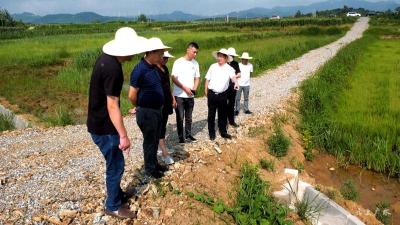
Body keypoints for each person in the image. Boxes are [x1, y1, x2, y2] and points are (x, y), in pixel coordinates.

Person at [87, 27, 144, 219]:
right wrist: (124, 135)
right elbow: (112, 105)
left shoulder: (106, 59)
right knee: (116, 165)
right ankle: (112, 205)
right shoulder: (113, 69)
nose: (135, 53)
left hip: (99, 122)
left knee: (114, 163)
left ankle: (116, 194)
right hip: (104, 127)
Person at [128, 37, 171, 179]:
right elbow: (131, 95)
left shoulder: (154, 67)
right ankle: (150, 169)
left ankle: (155, 164)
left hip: (157, 110)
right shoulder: (139, 70)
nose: (162, 56)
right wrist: (140, 106)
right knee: (149, 141)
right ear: (151, 52)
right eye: (160, 53)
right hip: (147, 112)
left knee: (154, 139)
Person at [205, 48, 239, 140]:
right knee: (211, 115)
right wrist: (206, 91)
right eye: (218, 56)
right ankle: (211, 133)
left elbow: (233, 78)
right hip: (212, 94)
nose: (219, 58)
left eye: (221, 56)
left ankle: (223, 132)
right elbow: (207, 79)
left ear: (226, 58)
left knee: (222, 114)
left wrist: (236, 83)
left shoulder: (230, 69)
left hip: (223, 95)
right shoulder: (213, 66)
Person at [171, 42, 200, 143]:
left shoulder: (195, 63)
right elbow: (173, 78)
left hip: (190, 95)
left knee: (189, 117)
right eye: (194, 52)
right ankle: (181, 137)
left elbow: (197, 77)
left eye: (196, 53)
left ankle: (188, 135)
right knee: (180, 117)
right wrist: (184, 88)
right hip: (179, 95)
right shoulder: (178, 62)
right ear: (188, 50)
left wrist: (194, 88)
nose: (195, 54)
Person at [156, 51, 176, 165]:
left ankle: (161, 146)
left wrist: (172, 98)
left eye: (167, 58)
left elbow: (168, 85)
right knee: (158, 125)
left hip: (167, 101)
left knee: (163, 124)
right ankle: (163, 151)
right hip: (158, 103)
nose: (165, 60)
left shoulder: (165, 68)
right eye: (164, 58)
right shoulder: (154, 69)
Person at [227, 47, 241, 127]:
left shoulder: (235, 63)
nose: (233, 57)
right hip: (224, 87)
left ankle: (231, 121)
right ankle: (224, 121)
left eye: (233, 56)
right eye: (231, 55)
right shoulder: (224, 63)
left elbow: (239, 74)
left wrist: (233, 76)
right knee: (224, 105)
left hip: (233, 86)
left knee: (232, 104)